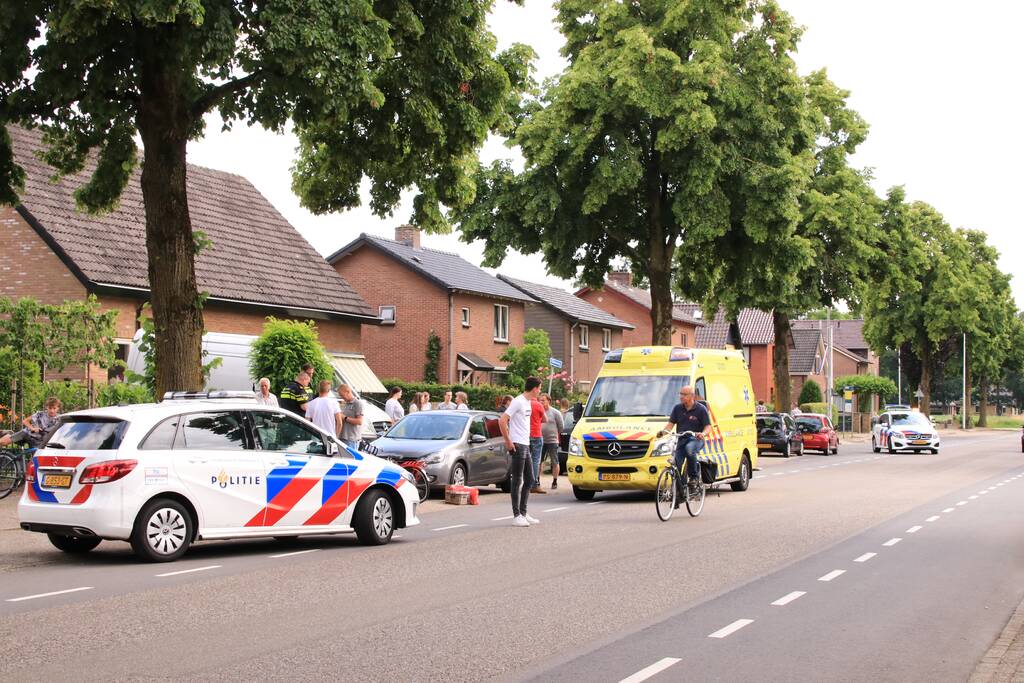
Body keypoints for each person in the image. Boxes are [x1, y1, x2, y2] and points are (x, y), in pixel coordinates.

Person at [499, 377, 543, 527]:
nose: (541, 391)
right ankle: (516, 515)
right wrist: (508, 441)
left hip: (526, 443)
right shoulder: (518, 401)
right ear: (535, 389)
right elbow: (502, 420)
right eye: (540, 388)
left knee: (530, 479)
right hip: (517, 444)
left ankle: (523, 513)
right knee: (517, 480)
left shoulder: (529, 402)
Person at [659, 385, 712, 500]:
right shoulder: (677, 408)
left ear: (692, 396)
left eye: (684, 394)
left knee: (690, 449)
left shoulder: (701, 409)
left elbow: (708, 427)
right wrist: (663, 432)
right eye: (680, 394)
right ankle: (680, 493)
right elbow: (670, 425)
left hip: (696, 439)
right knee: (676, 465)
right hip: (681, 439)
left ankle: (693, 478)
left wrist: (702, 434)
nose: (681, 397)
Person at [540, 394, 564, 489]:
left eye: (543, 400)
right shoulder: (538, 411)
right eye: (540, 400)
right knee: (538, 461)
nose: (541, 402)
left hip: (552, 440)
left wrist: (555, 434)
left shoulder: (555, 413)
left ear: (549, 401)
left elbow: (561, 426)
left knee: (555, 461)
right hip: (540, 440)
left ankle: (555, 481)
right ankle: (537, 480)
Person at [528, 392, 547, 494]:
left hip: (525, 435)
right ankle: (534, 485)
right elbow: (545, 419)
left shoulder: (524, 403)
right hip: (536, 434)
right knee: (535, 460)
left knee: (526, 460)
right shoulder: (538, 405)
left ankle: (524, 483)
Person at [337, 383, 365, 449]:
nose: (342, 397)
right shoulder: (345, 404)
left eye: (342, 395)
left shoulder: (358, 404)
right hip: (342, 437)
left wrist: (345, 418)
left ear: (348, 392)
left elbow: (359, 421)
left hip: (351, 439)